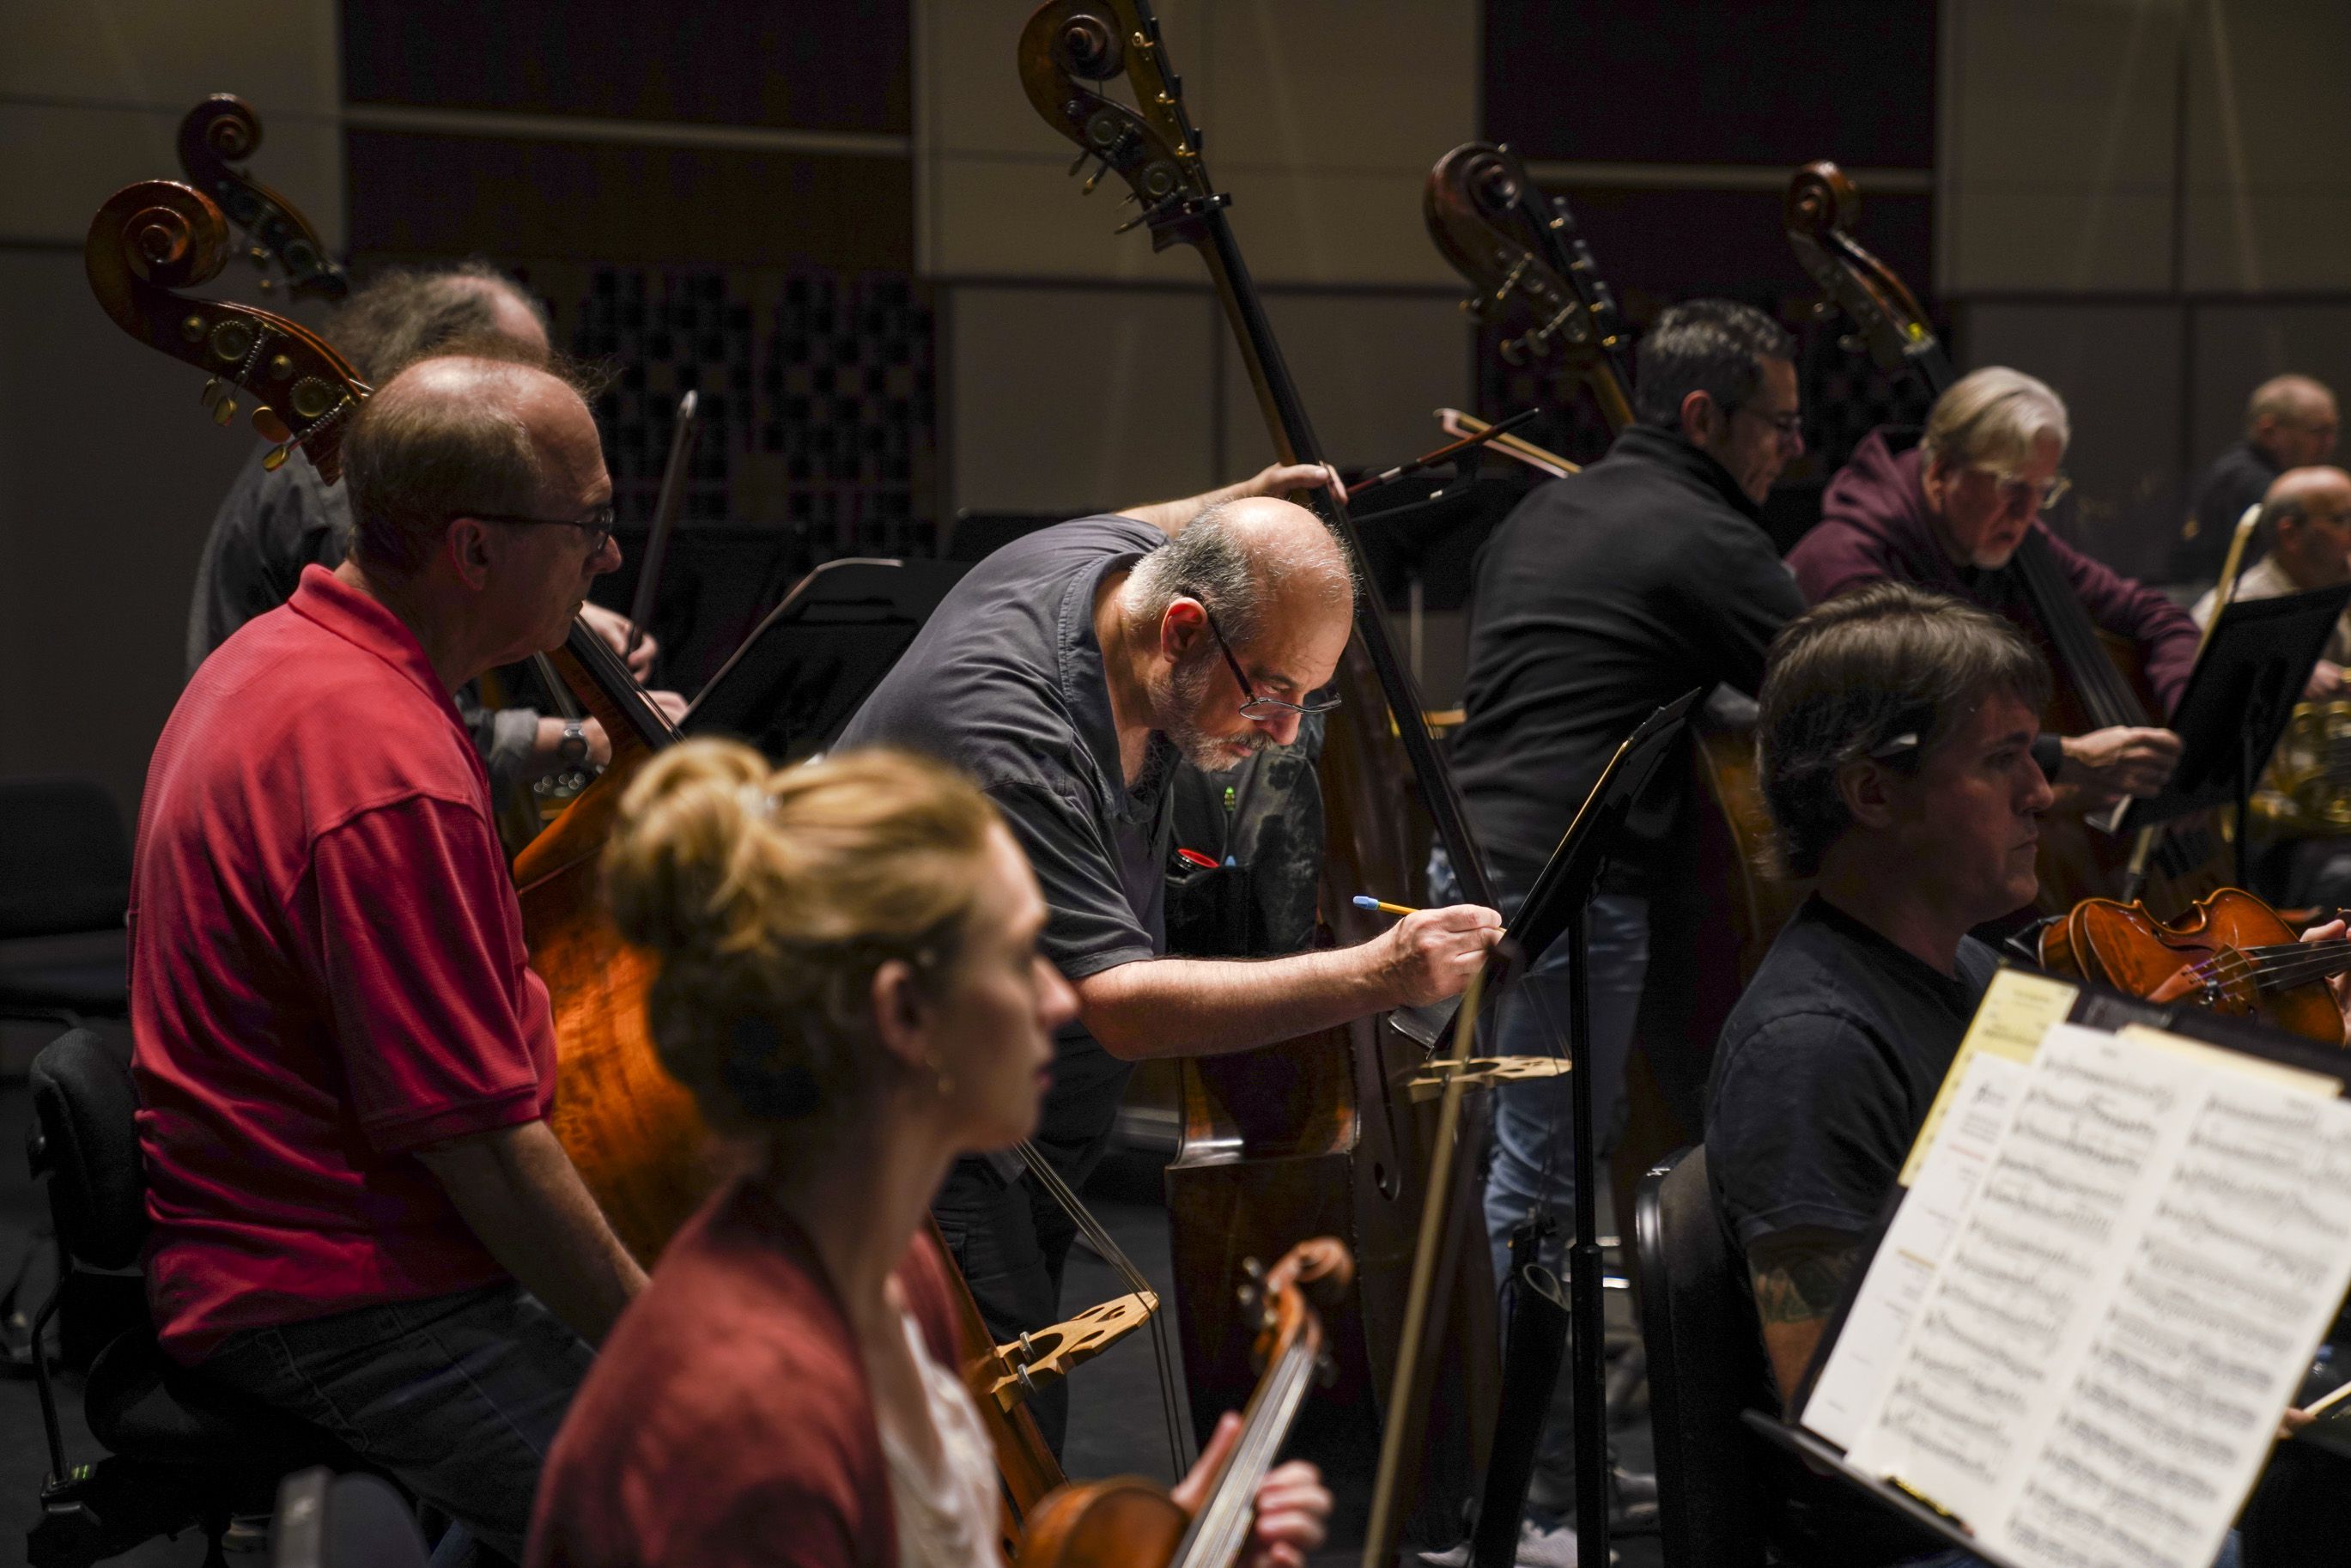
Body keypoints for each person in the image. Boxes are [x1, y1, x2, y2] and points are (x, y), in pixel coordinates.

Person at [526, 738, 1333, 1568]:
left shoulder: (895, 1263)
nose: (1059, 998)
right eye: (1022, 958)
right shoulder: (747, 1435)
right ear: (905, 1015)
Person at [833, 475, 1504, 1446]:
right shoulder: (1010, 729)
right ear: (1181, 629)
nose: (1281, 729)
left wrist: (1258, 495)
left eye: (1304, 700)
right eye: (1272, 689)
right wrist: (1382, 973)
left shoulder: (1118, 571)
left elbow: (1176, 526)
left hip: (1020, 1106)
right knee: (1000, 1428)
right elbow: (1119, 1004)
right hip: (913, 1120)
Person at [131, 353, 652, 1563]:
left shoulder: (289, 661)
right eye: (591, 525)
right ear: (474, 552)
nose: (609, 559)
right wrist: (664, 1338)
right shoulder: (382, 763)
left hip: (315, 1243)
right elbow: (484, 1150)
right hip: (338, 1292)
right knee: (707, 1490)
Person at [1707, 582, 2279, 1568]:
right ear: (1872, 791)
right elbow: (1833, 1416)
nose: (2042, 794)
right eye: (1999, 761)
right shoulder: (1812, 1049)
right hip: (1919, 1540)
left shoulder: (1980, 971)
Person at [1439, 296, 1810, 1526]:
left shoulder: (1550, 506)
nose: (1788, 452)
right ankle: (1537, 1501)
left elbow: (1591, 671)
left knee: (1514, 1178)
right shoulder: (1703, 531)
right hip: (1568, 881)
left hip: (1467, 860)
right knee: (1537, 1194)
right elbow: (1834, 687)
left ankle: (1563, 1470)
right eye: (1776, 424)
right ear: (1703, 414)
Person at [184, 258, 675, 786]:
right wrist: (581, 739)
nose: (537, 398)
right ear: (446, 369)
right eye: (510, 375)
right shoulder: (338, 503)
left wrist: (552, 593)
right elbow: (412, 720)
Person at [1789, 366, 2186, 811]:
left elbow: (2151, 614)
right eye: (2011, 487)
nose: (2027, 513)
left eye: (2043, 490)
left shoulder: (2011, 541)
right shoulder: (1847, 564)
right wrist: (2064, 758)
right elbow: (1903, 734)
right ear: (1941, 473)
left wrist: (2190, 729)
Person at [2171, 374, 2341, 586]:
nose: (2329, 443)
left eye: (2333, 432)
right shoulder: (2247, 482)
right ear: (2269, 432)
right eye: (2318, 431)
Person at [2192, 465, 2351, 691]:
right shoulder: (2236, 610)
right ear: (2290, 534)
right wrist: (2284, 676)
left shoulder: (2335, 589)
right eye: (2341, 519)